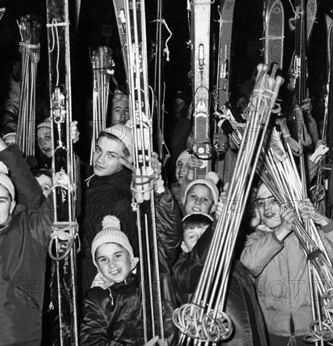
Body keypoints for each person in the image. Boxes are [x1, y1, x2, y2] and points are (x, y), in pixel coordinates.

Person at [240, 184, 333, 346]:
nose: (266, 207)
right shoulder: (255, 239)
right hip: (271, 332)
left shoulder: (311, 236)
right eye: (261, 203)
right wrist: (283, 229)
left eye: (273, 200)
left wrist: (322, 220)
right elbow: (250, 263)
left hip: (313, 329)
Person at [0, 154, 53, 345]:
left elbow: (58, 207)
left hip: (18, 335)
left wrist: (67, 158)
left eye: (1, 201)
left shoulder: (30, 229)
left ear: (12, 204)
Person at [172, 205, 268, 345]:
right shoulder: (183, 270)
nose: (199, 240)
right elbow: (199, 262)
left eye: (204, 233)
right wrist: (217, 225)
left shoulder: (234, 264)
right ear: (184, 246)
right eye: (192, 236)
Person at [80, 215, 178, 345]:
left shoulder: (151, 275)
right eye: (103, 259)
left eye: (117, 255)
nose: (112, 264)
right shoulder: (96, 299)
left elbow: (166, 235)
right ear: (97, 265)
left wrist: (160, 194)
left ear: (130, 257)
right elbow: (91, 341)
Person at [79, 124, 139, 294]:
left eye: (111, 155)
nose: (100, 160)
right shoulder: (93, 177)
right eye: (98, 150)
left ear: (128, 161)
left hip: (98, 284)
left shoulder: (122, 199)